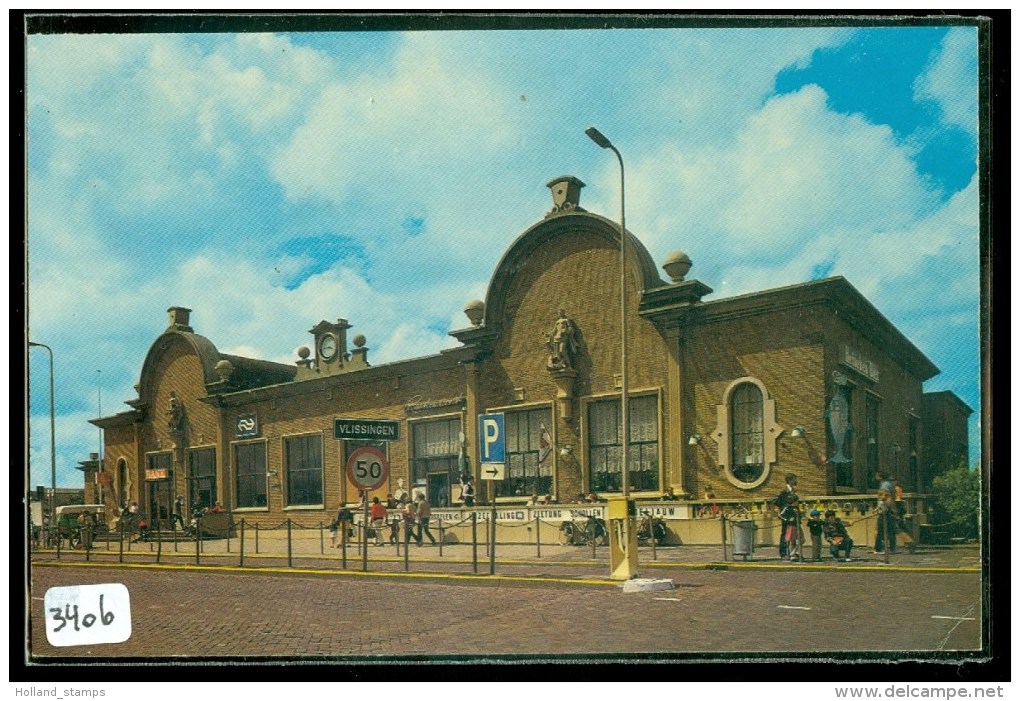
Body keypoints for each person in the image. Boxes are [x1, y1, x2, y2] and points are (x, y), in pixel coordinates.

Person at [774, 473, 798, 558]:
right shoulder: (784, 491)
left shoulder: (794, 491)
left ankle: (792, 552)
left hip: (793, 515)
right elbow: (778, 503)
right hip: (786, 515)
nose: (796, 481)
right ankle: (783, 552)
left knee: (793, 534)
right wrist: (779, 513)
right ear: (790, 480)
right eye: (794, 479)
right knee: (785, 533)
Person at [778, 494, 803, 561]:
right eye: (796, 501)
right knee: (792, 541)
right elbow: (780, 515)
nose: (797, 502)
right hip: (791, 526)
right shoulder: (787, 508)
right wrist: (787, 520)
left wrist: (799, 515)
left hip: (797, 525)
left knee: (801, 540)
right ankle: (792, 555)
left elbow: (800, 515)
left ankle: (795, 552)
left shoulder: (797, 508)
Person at [874, 489, 898, 554]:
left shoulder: (888, 500)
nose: (885, 496)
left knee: (891, 533)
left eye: (887, 495)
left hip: (889, 518)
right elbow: (883, 509)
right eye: (884, 495)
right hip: (883, 518)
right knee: (880, 534)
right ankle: (878, 549)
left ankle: (892, 548)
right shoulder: (881, 502)